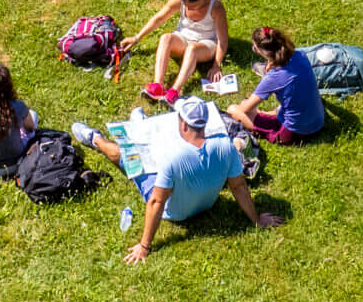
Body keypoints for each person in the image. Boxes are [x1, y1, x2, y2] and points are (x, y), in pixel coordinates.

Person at [71, 98, 279, 263]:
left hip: (175, 212)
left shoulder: (172, 158)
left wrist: (144, 246)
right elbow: (239, 186)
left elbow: (156, 201)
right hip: (207, 204)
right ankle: (139, 123)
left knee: (124, 154)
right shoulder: (226, 145)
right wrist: (256, 219)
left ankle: (95, 139)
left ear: (183, 124)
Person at [125, 0, 227, 102]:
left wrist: (216, 65)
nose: (188, 9)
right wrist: (136, 38)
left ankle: (175, 91)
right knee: (166, 38)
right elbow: (159, 18)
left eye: (193, 7)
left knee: (192, 49)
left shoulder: (216, 7)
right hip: (183, 37)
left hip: (206, 43)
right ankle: (158, 86)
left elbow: (222, 40)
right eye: (186, 6)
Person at [227, 26, 325, 145]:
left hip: (295, 132)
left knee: (233, 109)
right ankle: (267, 114)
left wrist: (246, 105)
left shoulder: (274, 77)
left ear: (260, 51)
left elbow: (245, 109)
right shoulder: (300, 55)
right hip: (317, 120)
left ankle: (267, 122)